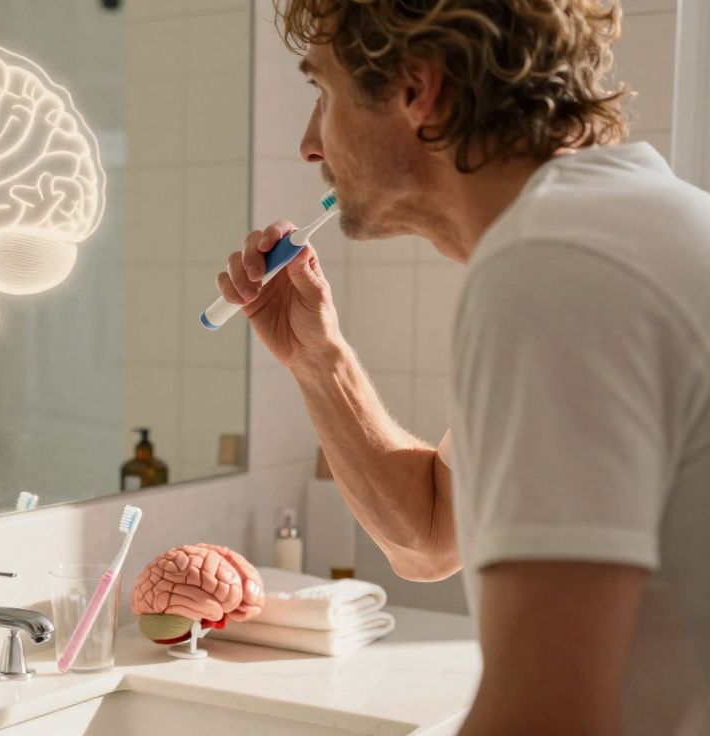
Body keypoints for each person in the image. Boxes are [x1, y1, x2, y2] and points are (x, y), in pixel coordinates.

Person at [222, 1, 710, 733]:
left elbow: (543, 716)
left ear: (420, 89)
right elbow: (432, 533)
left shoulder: (561, 264)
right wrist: (319, 360)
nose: (308, 144)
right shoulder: (610, 232)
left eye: (323, 93)